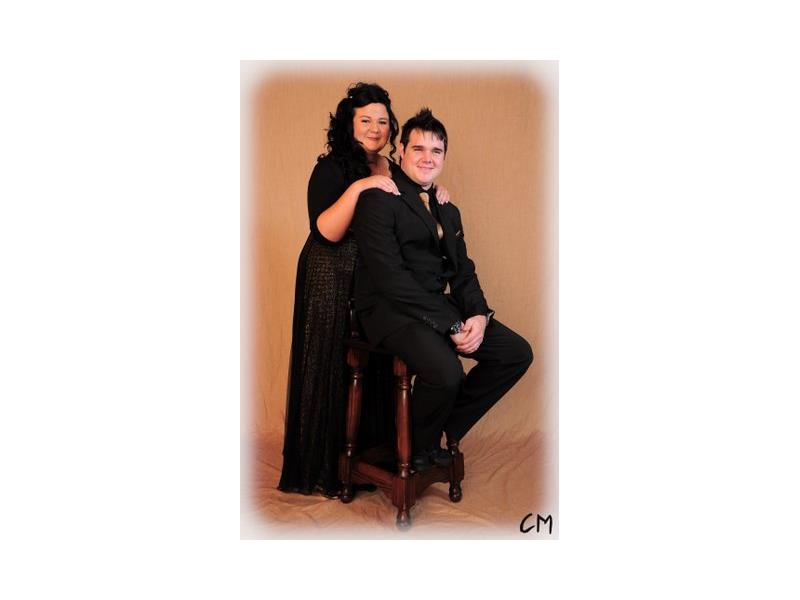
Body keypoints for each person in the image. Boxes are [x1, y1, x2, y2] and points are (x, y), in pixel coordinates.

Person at [278, 84, 450, 496]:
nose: (375, 128)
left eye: (383, 121)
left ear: (392, 127)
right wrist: (360, 187)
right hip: (331, 274)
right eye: (365, 120)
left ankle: (372, 459)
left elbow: (412, 206)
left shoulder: (392, 166)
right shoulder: (332, 167)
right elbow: (326, 231)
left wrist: (435, 194)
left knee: (375, 367)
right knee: (331, 366)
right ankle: (325, 468)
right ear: (350, 124)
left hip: (374, 276)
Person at [352, 108, 533, 472]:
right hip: (388, 310)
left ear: (444, 158)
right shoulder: (379, 198)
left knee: (515, 353)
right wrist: (450, 324)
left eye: (436, 151)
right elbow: (391, 279)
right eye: (418, 149)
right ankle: (416, 447)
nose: (427, 158)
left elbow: (462, 270)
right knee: (448, 373)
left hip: (432, 305)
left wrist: (478, 316)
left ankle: (436, 429)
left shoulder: (447, 209)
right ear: (401, 151)